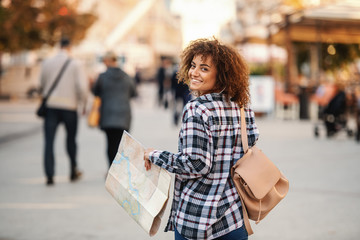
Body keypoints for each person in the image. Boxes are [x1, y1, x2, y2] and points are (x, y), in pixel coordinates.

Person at [144, 38, 259, 240]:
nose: (194, 73)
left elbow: (197, 164)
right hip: (234, 218)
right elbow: (250, 142)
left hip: (198, 220)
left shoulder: (197, 108)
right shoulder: (242, 107)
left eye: (204, 69)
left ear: (221, 75)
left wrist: (156, 155)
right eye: (193, 65)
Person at [39, 37, 88, 186]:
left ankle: (49, 175)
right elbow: (81, 87)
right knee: (71, 140)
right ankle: (73, 170)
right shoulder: (75, 64)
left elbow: (40, 84)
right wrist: (83, 103)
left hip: (51, 107)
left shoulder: (47, 62)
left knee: (49, 142)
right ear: (70, 47)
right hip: (70, 107)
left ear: (59, 46)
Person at [92, 51, 136, 167]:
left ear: (107, 61)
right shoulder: (126, 76)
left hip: (108, 115)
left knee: (110, 143)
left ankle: (112, 168)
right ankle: (119, 168)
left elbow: (95, 92)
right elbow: (133, 93)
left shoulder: (102, 77)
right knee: (121, 144)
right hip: (123, 115)